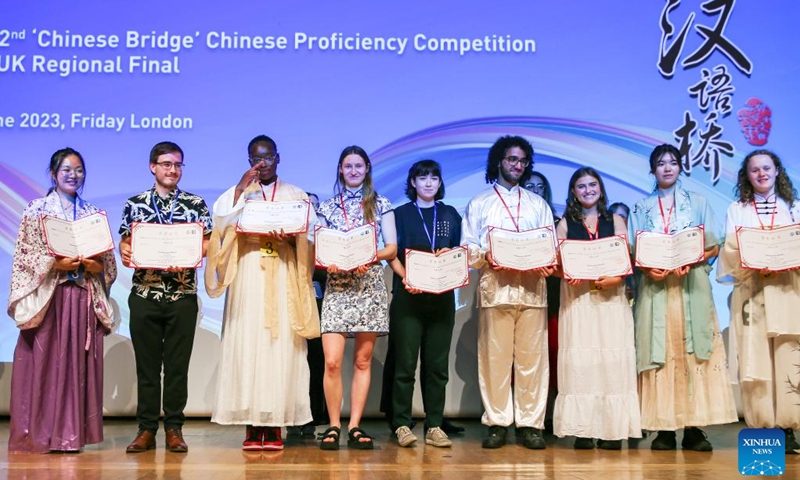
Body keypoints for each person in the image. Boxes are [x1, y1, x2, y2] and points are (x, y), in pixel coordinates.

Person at [204, 135, 320, 450]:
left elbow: (309, 237)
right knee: (248, 341)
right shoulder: (241, 193)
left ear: (278, 158)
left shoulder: (295, 194)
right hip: (248, 275)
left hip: (282, 272)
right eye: (256, 158)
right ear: (248, 160)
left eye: (268, 157)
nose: (262, 163)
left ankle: (275, 423)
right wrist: (241, 187)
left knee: (279, 344)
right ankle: (252, 425)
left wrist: (290, 240)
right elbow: (220, 220)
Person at [628, 143, 737, 451]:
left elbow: (713, 245)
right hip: (656, 289)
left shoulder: (699, 202)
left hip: (691, 289)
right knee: (660, 356)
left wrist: (691, 260)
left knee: (692, 355)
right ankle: (664, 429)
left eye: (672, 162)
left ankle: (694, 429)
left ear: (680, 168)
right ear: (652, 170)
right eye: (660, 163)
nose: (667, 168)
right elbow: (635, 253)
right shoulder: (640, 207)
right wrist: (649, 270)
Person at [7, 148, 117, 453]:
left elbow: (108, 263)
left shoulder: (92, 214)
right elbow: (25, 255)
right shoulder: (36, 209)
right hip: (49, 297)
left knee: (77, 367)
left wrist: (95, 266)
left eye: (79, 169)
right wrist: (54, 264)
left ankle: (71, 436)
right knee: (44, 363)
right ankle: (40, 434)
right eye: (66, 169)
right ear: (53, 173)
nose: (73, 175)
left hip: (81, 297)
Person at [462, 135, 555, 450]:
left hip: (532, 293)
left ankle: (530, 424)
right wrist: (488, 256)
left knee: (532, 361)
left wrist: (548, 262)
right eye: (511, 159)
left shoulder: (538, 205)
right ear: (498, 161)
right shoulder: (479, 203)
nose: (517, 165)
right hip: (496, 290)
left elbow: (550, 246)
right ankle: (498, 422)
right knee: (495, 361)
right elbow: (467, 248)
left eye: (522, 160)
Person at [119, 141, 213, 453]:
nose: (172, 170)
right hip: (145, 294)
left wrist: (188, 257)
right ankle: (146, 430)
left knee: (177, 368)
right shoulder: (135, 203)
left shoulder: (195, 205)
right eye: (166, 164)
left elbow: (207, 244)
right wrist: (129, 253)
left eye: (177, 165)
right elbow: (126, 248)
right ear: (153, 167)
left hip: (182, 296)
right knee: (146, 367)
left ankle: (174, 428)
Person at [717, 149, 800, 454]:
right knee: (756, 362)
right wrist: (753, 263)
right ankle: (763, 435)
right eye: (755, 170)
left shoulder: (794, 208)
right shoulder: (737, 209)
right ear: (746, 175)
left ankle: (789, 429)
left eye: (767, 168)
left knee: (788, 359)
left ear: (778, 170)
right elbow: (729, 250)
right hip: (752, 293)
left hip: (789, 292)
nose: (762, 174)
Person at [552, 167, 641, 450]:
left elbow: (626, 259)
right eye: (581, 186)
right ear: (573, 192)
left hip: (611, 302)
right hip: (578, 303)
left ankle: (611, 430)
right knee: (583, 364)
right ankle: (584, 429)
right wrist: (567, 272)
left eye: (593, 185)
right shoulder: (565, 223)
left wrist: (616, 278)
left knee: (610, 362)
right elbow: (556, 265)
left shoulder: (615, 220)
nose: (588, 190)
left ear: (601, 189)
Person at [316, 146, 397, 450]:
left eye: (358, 166)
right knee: (333, 361)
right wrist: (328, 261)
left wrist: (370, 256)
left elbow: (391, 247)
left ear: (367, 169)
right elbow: (320, 248)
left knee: (363, 361)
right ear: (340, 169)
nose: (353, 171)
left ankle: (355, 426)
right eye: (348, 166)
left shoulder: (381, 203)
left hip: (368, 285)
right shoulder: (326, 207)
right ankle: (334, 425)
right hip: (337, 286)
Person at [386, 160, 462, 448]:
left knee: (437, 366)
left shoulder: (450, 214)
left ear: (440, 183)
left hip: (441, 299)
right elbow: (392, 254)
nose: (428, 183)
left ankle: (434, 425)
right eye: (422, 178)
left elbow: (460, 251)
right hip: (409, 297)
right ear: (413, 183)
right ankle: (402, 424)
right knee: (405, 365)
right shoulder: (400, 214)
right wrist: (406, 278)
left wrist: (451, 253)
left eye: (434, 178)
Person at [523, 171, 561, 433]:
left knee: (555, 357)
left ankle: (552, 415)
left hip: (556, 297)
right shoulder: (517, 222)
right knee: (526, 360)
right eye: (530, 186)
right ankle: (526, 414)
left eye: (540, 186)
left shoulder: (559, 222)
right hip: (525, 296)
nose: (535, 190)